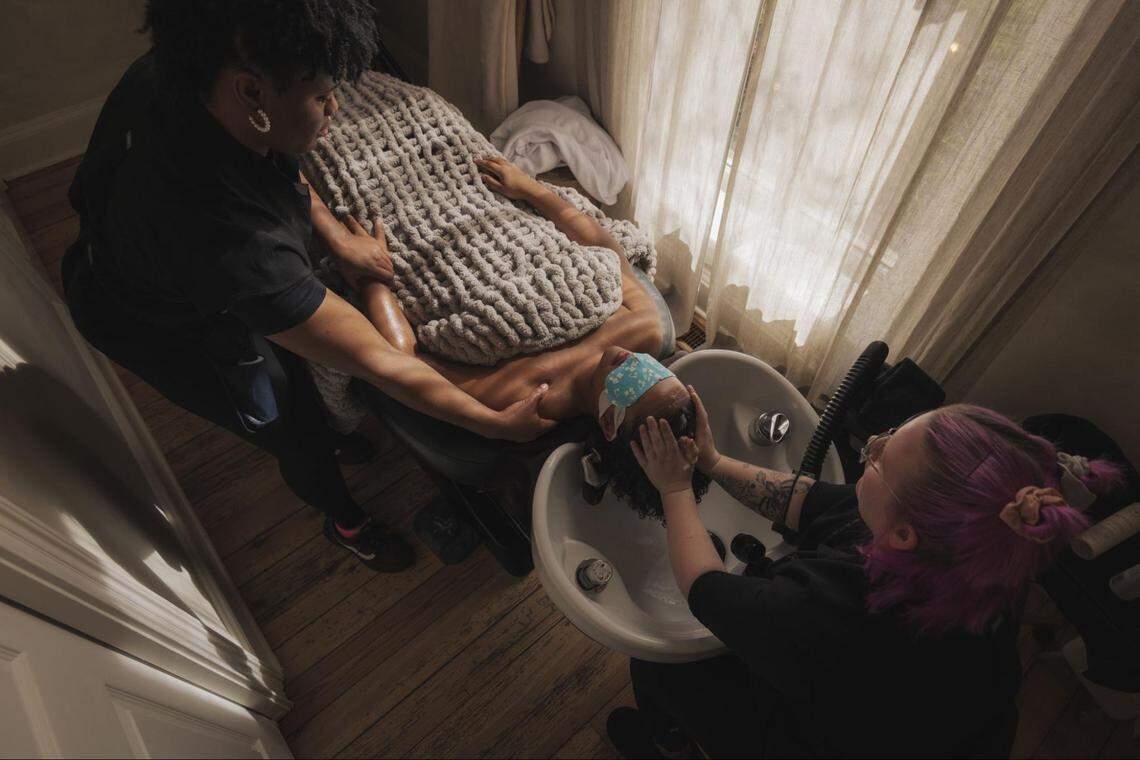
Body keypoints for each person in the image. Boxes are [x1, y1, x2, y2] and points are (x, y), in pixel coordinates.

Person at [62, 0, 554, 574]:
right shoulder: (240, 248)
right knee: (290, 423)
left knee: (293, 372)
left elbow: (272, 157)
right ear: (252, 92)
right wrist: (494, 423)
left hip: (146, 244)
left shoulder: (186, 76)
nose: (336, 106)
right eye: (321, 96)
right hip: (144, 318)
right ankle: (344, 520)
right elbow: (382, 361)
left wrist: (334, 237)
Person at [605, 397, 1120, 757]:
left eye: (879, 460)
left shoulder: (837, 613)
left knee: (661, 666)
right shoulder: (982, 552)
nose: (872, 443)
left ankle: (668, 742)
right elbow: (802, 500)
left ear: (902, 536)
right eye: (893, 434)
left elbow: (705, 589)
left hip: (830, 741)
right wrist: (712, 462)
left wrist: (674, 489)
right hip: (942, 728)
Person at [353, 155, 712, 517]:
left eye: (634, 383)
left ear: (607, 422)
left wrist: (372, 274)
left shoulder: (525, 397)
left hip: (417, 233)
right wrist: (531, 189)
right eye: (658, 372)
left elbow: (406, 359)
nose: (635, 362)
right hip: (493, 207)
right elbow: (606, 251)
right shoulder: (645, 330)